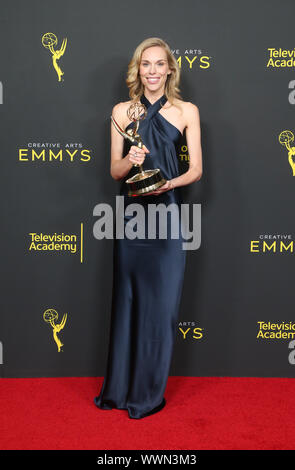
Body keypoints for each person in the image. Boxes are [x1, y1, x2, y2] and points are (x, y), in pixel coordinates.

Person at [94, 37, 202, 419]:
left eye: (159, 64)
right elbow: (115, 172)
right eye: (145, 64)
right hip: (132, 219)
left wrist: (168, 183)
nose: (152, 71)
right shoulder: (122, 112)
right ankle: (120, 390)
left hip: (169, 216)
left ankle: (148, 393)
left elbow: (196, 170)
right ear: (137, 70)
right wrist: (130, 158)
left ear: (170, 68)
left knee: (161, 308)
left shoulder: (187, 110)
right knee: (128, 303)